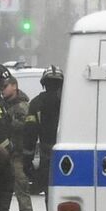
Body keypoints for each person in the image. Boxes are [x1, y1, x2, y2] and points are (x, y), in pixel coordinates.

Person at [0, 76, 39, 211]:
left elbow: (25, 129)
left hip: (17, 156)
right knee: (3, 192)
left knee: (21, 191)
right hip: (7, 154)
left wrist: (6, 121)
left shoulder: (22, 107)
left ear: (14, 86)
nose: (3, 90)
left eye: (5, 86)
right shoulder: (6, 105)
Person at [31, 66, 64, 195]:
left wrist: (27, 159)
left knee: (49, 193)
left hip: (46, 155)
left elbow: (30, 133)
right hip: (69, 156)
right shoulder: (70, 102)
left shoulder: (36, 103)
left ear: (43, 83)